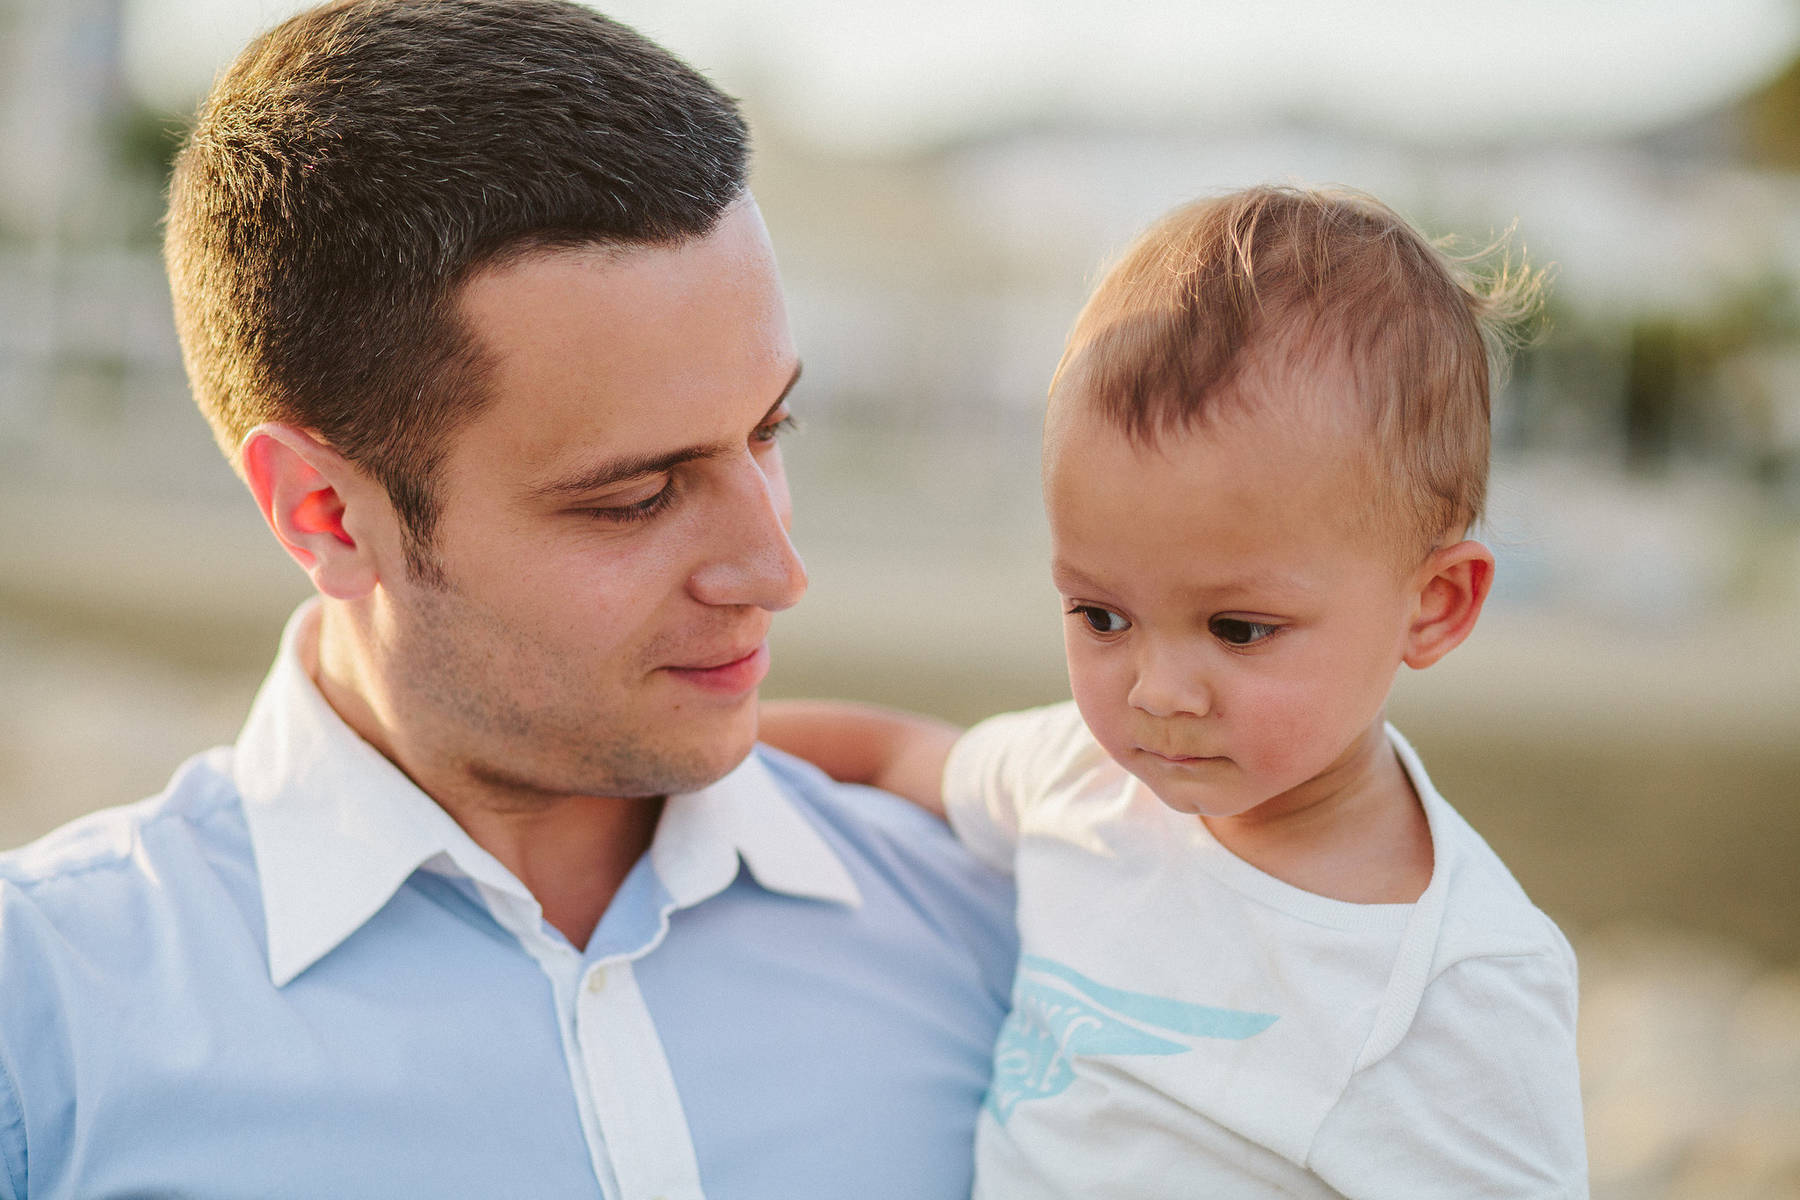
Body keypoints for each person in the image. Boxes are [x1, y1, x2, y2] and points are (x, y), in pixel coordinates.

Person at [0, 2, 1017, 1197]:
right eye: (636, 494)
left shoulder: (996, 923)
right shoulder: (46, 1022)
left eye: (770, 428)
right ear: (321, 513)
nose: (775, 573)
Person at [761, 186, 1589, 1197]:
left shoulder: (1455, 984)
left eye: (1239, 630)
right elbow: (893, 754)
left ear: (1435, 605)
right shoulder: (1074, 776)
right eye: (1100, 616)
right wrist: (684, 765)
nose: (1158, 692)